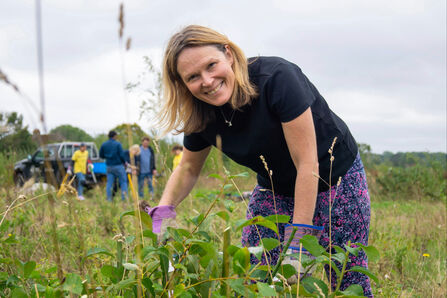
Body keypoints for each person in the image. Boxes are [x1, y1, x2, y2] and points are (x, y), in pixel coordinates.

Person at [148, 25, 372, 296]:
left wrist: (299, 237)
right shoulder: (200, 112)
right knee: (256, 273)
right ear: (182, 83)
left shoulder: (276, 79)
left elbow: (307, 164)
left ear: (228, 54)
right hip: (275, 189)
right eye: (193, 76)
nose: (206, 81)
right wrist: (164, 212)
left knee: (347, 277)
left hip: (335, 179)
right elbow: (187, 168)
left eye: (211, 65)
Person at [99, 130, 128, 201]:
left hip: (109, 166)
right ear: (114, 136)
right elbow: (122, 155)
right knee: (123, 182)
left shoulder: (104, 144)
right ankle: (124, 199)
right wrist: (125, 162)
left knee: (109, 183)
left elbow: (101, 155)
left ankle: (109, 199)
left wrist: (107, 157)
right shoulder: (118, 144)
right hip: (118, 166)